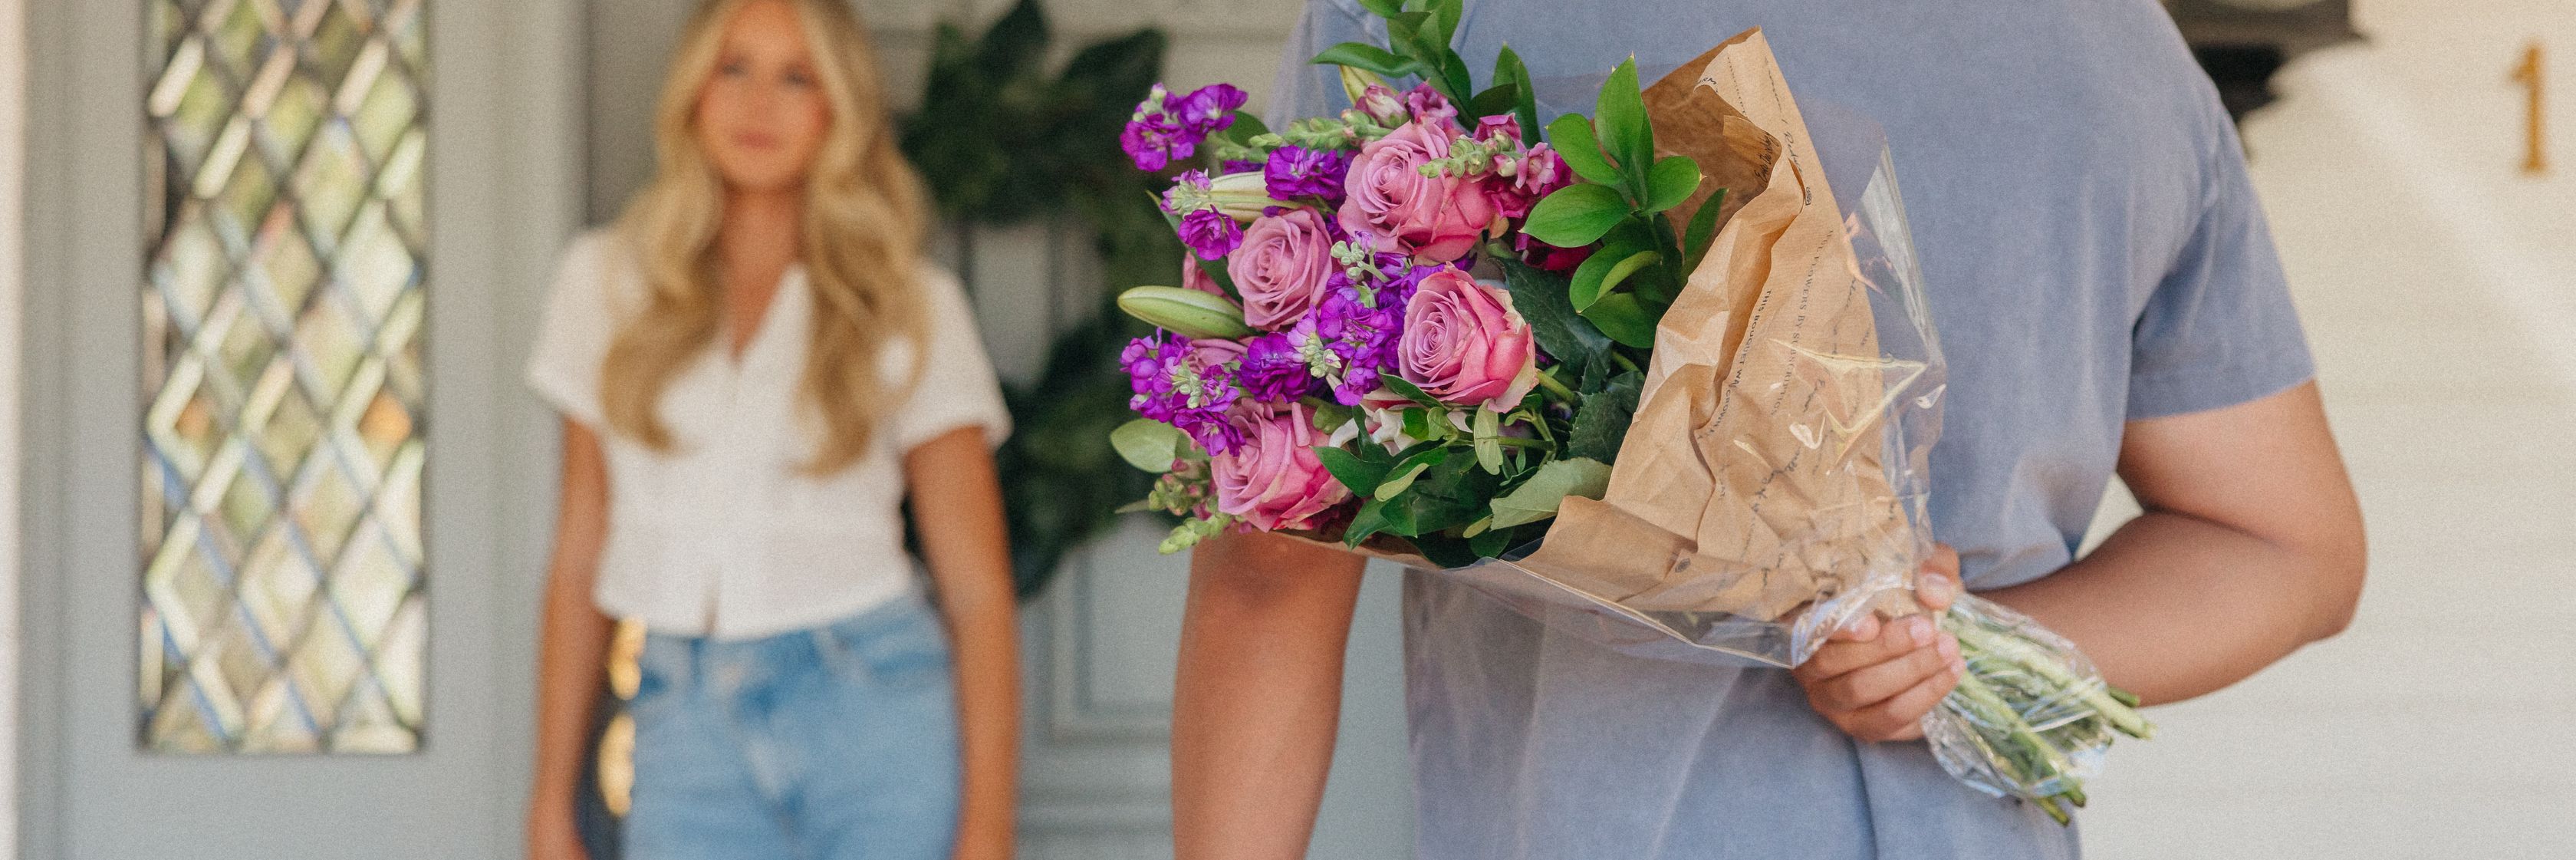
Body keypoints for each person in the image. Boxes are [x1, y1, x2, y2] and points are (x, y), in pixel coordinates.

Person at [1170, 1, 2367, 858]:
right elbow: (2284, 547)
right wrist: (1946, 653)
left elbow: (1270, 571)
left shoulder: (1434, 24)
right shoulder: (2114, 46)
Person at [518, 2, 1019, 858]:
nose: (759, 103)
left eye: (798, 77)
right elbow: (577, 561)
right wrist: (548, 804)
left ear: (842, 107)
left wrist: (986, 832)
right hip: (683, 724)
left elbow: (976, 591)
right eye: (733, 68)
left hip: (873, 707)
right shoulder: (601, 281)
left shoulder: (907, 301)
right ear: (692, 90)